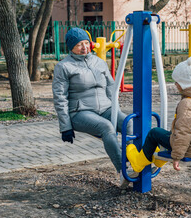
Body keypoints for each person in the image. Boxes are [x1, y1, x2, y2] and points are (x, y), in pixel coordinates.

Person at [52, 27, 132, 186]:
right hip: (81, 112)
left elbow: (111, 87)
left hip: (106, 108)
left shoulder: (99, 62)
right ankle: (123, 169)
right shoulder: (64, 66)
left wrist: (117, 111)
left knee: (129, 123)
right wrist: (65, 126)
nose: (84, 47)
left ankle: (133, 160)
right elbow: (60, 98)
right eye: (79, 44)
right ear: (71, 47)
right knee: (107, 127)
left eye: (86, 43)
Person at [126, 56, 191, 172]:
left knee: (154, 133)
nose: (175, 84)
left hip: (190, 149)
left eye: (177, 82)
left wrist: (177, 156)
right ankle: (159, 160)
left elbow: (184, 132)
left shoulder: (187, 103)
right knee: (169, 134)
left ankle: (139, 162)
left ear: (184, 84)